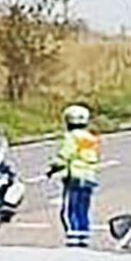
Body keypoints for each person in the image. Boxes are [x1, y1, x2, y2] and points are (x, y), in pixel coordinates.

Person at [47, 105, 100, 247]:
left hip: (74, 178)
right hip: (89, 178)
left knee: (70, 211)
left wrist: (53, 168)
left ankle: (73, 240)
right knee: (83, 210)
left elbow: (65, 155)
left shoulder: (71, 137)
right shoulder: (91, 138)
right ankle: (84, 238)